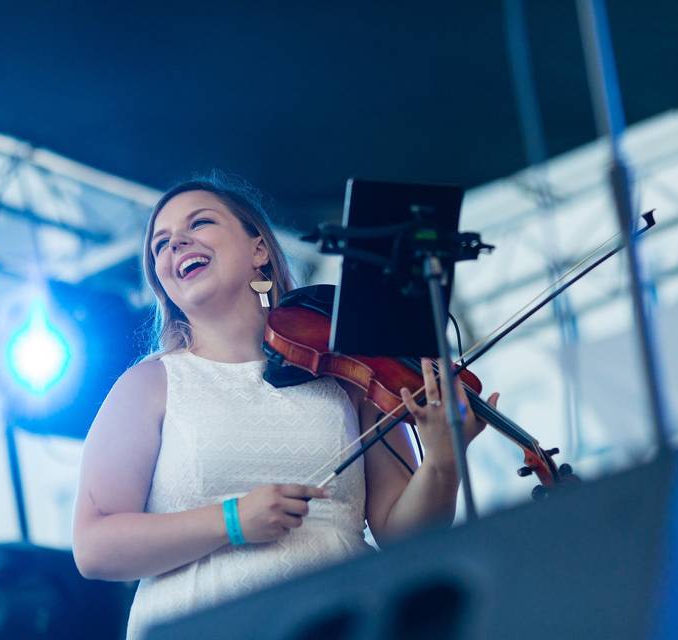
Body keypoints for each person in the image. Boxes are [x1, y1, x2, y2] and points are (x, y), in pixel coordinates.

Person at [71, 176, 497, 638]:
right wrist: (232, 520)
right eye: (161, 244)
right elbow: (94, 546)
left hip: (344, 619)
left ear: (259, 249)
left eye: (201, 222)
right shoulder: (148, 385)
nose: (177, 243)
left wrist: (442, 460)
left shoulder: (347, 371)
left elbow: (403, 536)